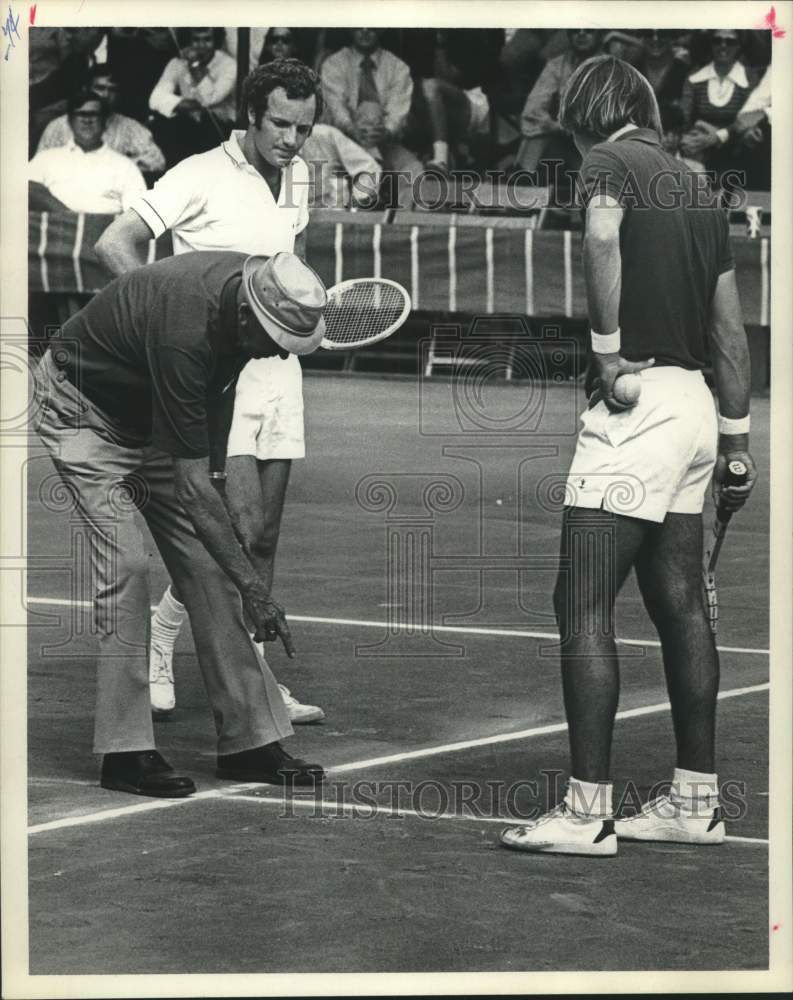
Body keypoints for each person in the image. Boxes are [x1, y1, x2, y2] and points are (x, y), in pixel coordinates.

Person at [499, 55, 756, 856]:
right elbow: (728, 332)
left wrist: (605, 355)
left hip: (636, 406)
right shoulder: (693, 185)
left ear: (587, 117)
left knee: (579, 603)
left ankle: (585, 814)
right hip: (693, 411)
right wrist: (737, 444)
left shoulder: (610, 161)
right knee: (678, 603)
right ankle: (693, 802)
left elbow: (603, 232)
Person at [33, 250, 328, 797]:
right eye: (277, 340)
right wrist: (257, 589)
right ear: (246, 316)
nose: (282, 356)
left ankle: (250, 741)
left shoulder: (249, 302)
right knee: (126, 566)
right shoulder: (184, 330)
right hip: (81, 412)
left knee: (211, 566)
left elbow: (210, 435)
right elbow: (193, 489)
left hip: (147, 418)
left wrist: (230, 538)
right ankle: (124, 753)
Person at [95, 58, 326, 724]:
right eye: (279, 123)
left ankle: (252, 679)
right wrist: (159, 332)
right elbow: (117, 244)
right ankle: (169, 647)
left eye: (303, 127)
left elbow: (286, 269)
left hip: (279, 367)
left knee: (264, 536)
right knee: (239, 522)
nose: (291, 138)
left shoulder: (301, 175)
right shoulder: (197, 173)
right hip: (215, 371)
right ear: (250, 115)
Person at [320, 28, 424, 207]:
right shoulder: (334, 64)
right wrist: (354, 129)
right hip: (344, 141)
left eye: (372, 26)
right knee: (369, 111)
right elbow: (337, 109)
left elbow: (397, 114)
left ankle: (407, 228)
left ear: (382, 29)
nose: (366, 31)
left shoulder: (398, 67)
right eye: (359, 26)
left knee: (414, 172)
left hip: (385, 142)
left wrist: (383, 133)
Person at [36, 64, 166, 177]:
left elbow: (157, 162)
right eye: (100, 88)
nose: (105, 95)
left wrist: (115, 167)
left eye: (112, 90)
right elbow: (40, 166)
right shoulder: (59, 126)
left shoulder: (129, 127)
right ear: (86, 89)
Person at [29, 90, 146, 214]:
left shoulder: (125, 166)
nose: (87, 120)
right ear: (70, 121)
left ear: (105, 121)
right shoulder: (46, 159)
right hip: (56, 229)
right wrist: (69, 217)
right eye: (81, 114)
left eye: (93, 114)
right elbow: (25, 188)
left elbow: (137, 214)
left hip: (105, 230)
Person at [516, 28, 604, 177]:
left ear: (598, 35)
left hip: (595, 143)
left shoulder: (611, 67)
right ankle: (525, 179)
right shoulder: (557, 65)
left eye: (588, 30)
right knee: (537, 137)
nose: (581, 34)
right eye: (575, 31)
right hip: (561, 139)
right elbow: (533, 109)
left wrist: (560, 127)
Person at [148, 27, 236, 165]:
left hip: (221, 129)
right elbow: (155, 99)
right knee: (164, 126)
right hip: (189, 126)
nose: (201, 46)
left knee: (206, 126)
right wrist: (196, 106)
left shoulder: (229, 65)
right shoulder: (178, 62)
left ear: (216, 41)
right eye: (196, 40)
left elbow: (208, 99)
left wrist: (194, 64)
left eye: (207, 40)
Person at [679, 30, 758, 183]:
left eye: (730, 42)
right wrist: (697, 134)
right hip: (701, 145)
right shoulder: (696, 75)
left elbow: (749, 117)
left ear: (739, 46)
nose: (723, 46)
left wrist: (718, 135)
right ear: (710, 44)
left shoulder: (749, 77)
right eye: (718, 40)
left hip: (736, 147)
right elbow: (684, 116)